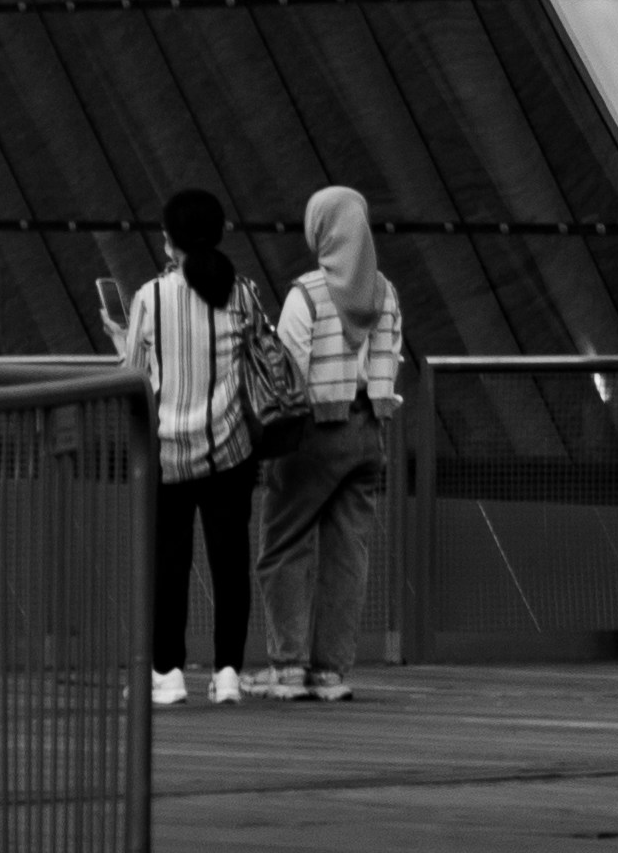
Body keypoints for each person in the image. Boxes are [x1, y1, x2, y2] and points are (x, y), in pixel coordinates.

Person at [117, 187, 267, 707]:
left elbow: (132, 373)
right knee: (230, 562)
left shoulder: (148, 298)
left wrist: (123, 337)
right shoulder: (242, 291)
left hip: (167, 451)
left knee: (169, 563)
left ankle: (169, 673)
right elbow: (265, 358)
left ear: (168, 242)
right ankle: (228, 673)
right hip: (230, 448)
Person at [256, 182, 404, 700]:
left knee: (284, 543)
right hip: (370, 434)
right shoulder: (386, 293)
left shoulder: (307, 294)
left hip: (314, 434)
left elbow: (287, 371)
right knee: (348, 554)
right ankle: (331, 672)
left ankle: (288, 667)